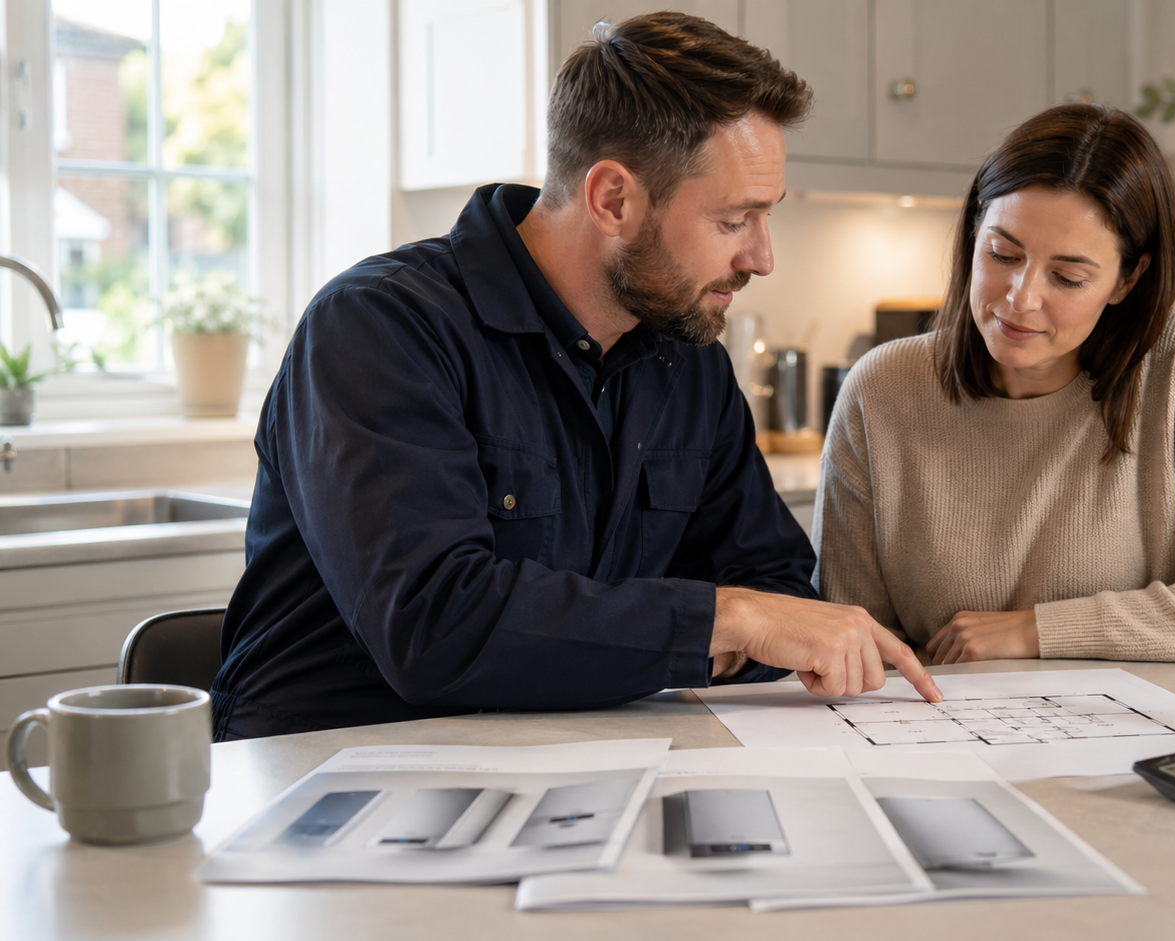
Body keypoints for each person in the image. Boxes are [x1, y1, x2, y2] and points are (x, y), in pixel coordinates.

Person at [211, 12, 939, 741]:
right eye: (733, 220)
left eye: (766, 217)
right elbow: (435, 626)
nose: (761, 257)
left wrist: (715, 628)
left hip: (570, 753)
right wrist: (723, 621)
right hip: (329, 769)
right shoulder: (378, 327)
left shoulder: (689, 363)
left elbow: (776, 587)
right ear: (613, 199)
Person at [815, 104, 1175, 666]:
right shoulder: (881, 388)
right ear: (975, 230)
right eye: (1003, 253)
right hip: (941, 732)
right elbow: (848, 635)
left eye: (1068, 277)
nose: (1021, 298)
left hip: (1132, 732)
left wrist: (1042, 631)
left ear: (1128, 279)